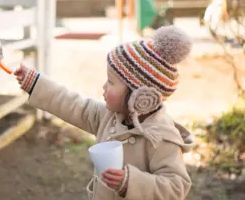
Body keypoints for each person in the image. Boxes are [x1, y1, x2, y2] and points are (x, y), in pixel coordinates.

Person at [13, 26, 195, 200]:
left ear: (139, 97)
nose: (104, 86)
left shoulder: (161, 138)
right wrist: (36, 84)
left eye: (111, 82)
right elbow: (72, 104)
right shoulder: (108, 116)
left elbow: (176, 186)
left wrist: (130, 183)